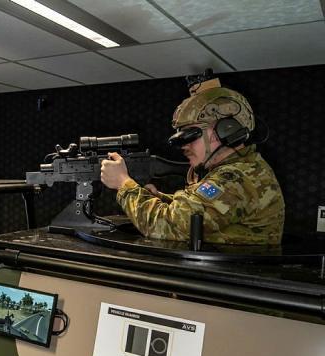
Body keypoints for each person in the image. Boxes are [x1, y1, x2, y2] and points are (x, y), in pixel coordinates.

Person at [100, 78, 285, 245]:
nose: (184, 146)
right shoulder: (242, 168)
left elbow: (168, 227)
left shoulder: (235, 177)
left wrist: (124, 184)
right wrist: (159, 198)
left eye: (191, 136)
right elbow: (197, 211)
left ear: (224, 131)